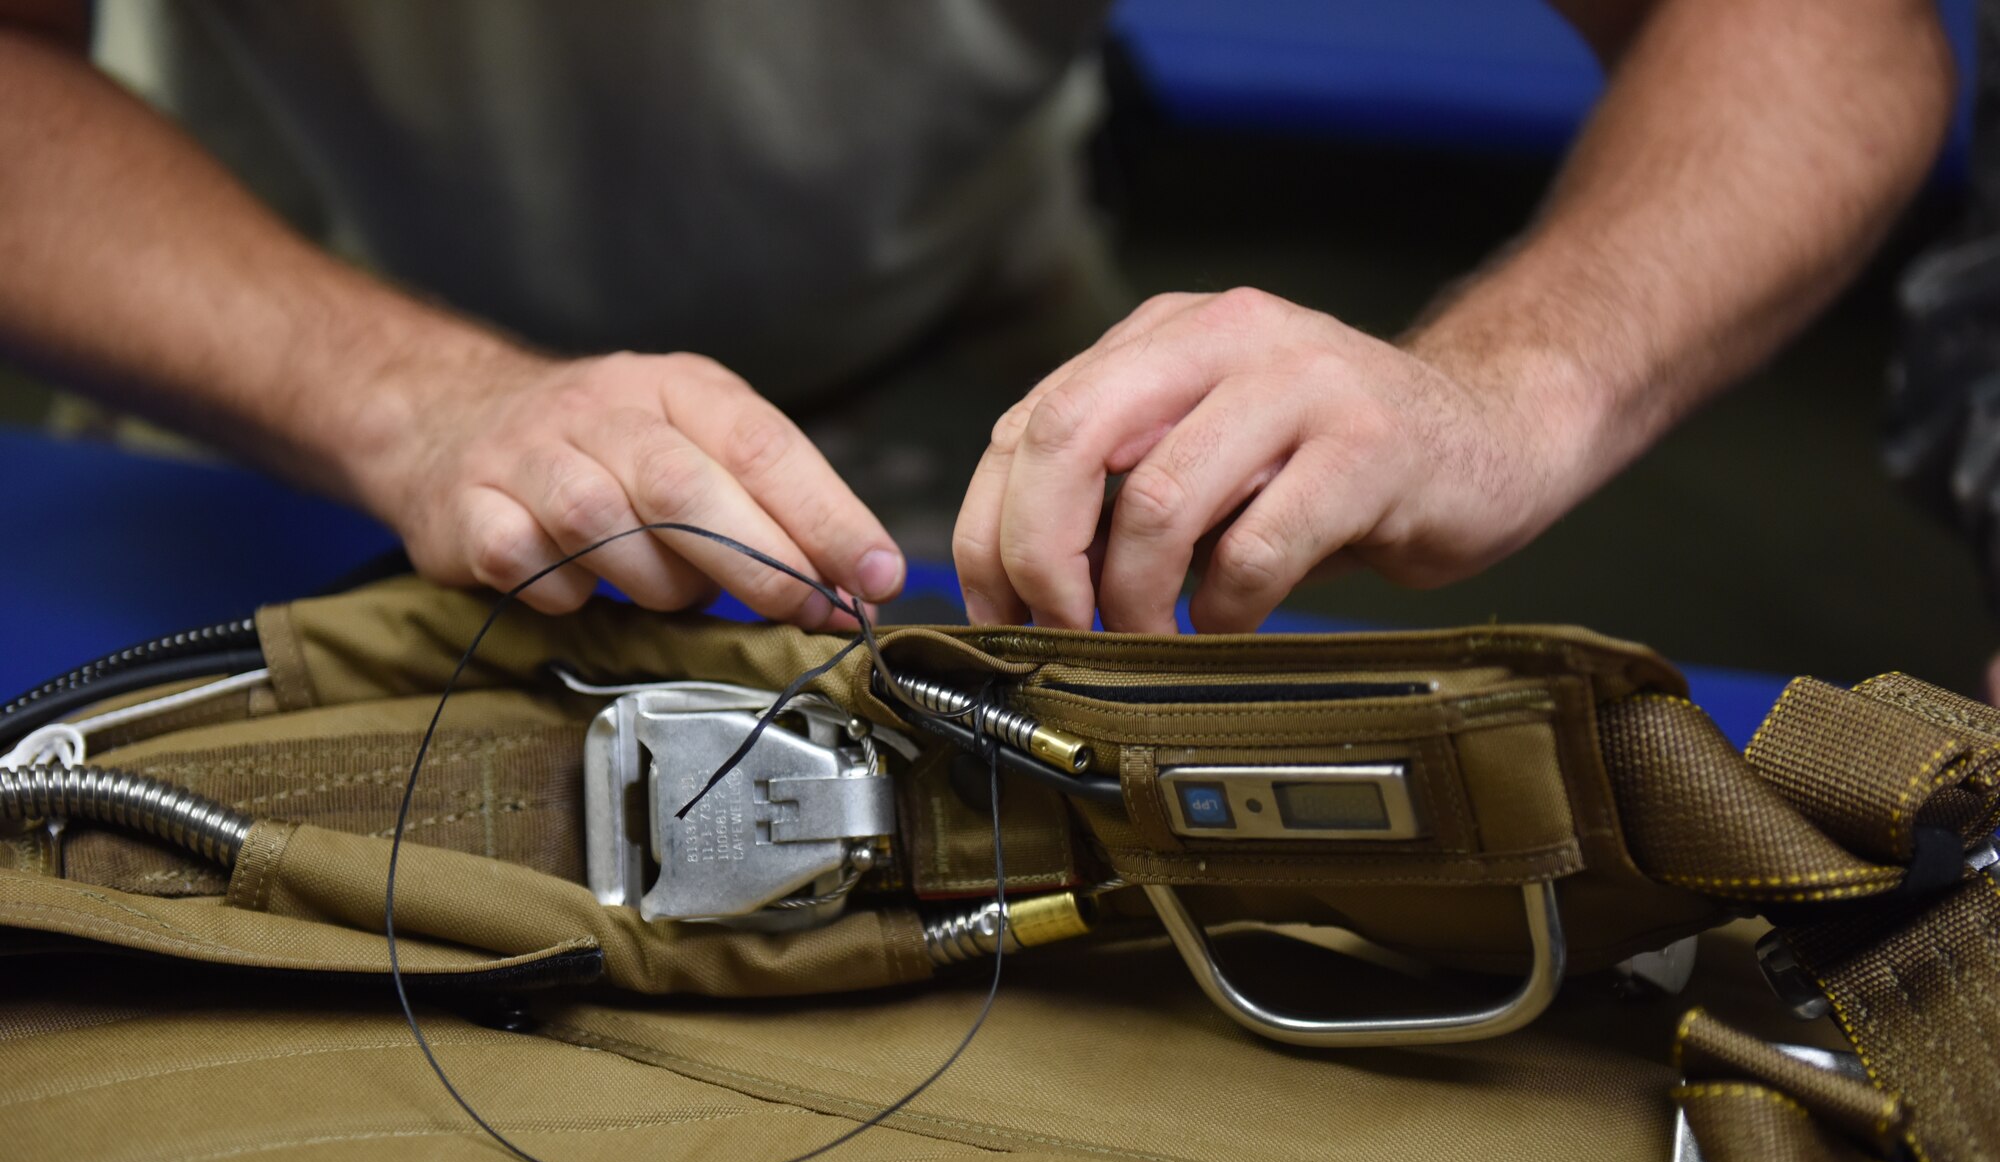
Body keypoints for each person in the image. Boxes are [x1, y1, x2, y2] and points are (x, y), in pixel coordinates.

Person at [0, 0, 1958, 636]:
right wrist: (406, 396)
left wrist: (1498, 387)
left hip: (978, 381)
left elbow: (1807, 31)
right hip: (272, 401)